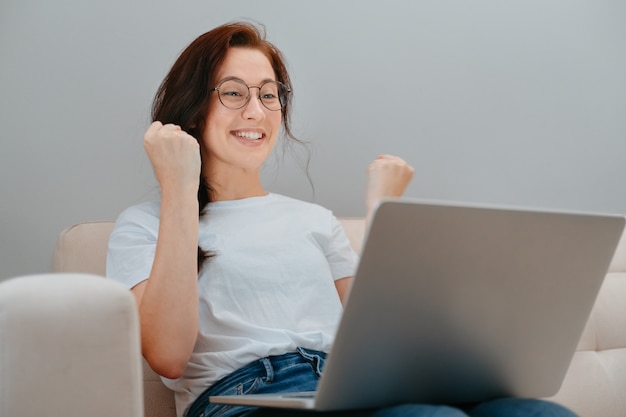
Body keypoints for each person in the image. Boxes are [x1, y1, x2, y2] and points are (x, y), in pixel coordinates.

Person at [107, 21, 578, 417]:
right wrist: (179, 188)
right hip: (246, 399)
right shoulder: (146, 223)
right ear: (193, 107)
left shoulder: (314, 220)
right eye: (234, 92)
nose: (256, 110)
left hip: (345, 387)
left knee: (538, 412)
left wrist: (382, 213)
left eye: (270, 95)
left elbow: (390, 338)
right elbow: (167, 356)